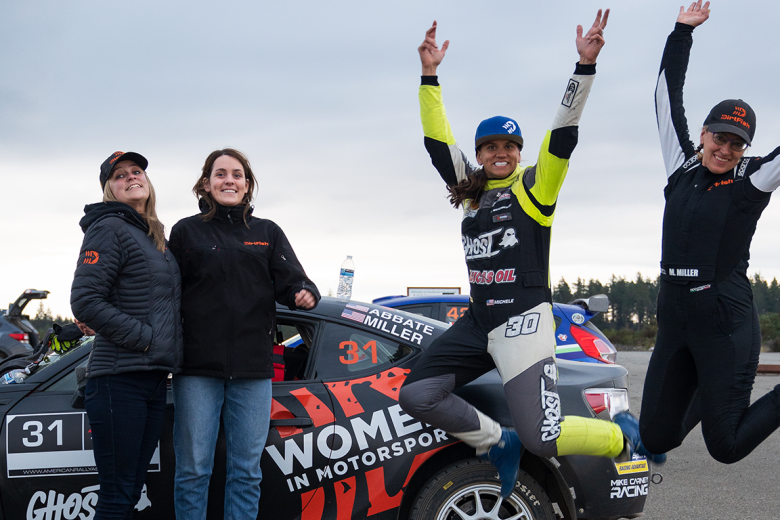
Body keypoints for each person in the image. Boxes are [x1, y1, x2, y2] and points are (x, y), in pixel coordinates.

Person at [399, 14, 663, 500]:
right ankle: (498, 442)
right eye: (490, 147)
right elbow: (437, 142)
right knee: (417, 394)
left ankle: (619, 434)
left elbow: (563, 133)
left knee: (543, 437)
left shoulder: (535, 189)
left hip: (523, 324)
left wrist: (584, 67)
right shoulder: (470, 191)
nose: (500, 153)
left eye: (509, 146)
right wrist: (429, 76)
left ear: (520, 152)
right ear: (480, 153)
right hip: (478, 323)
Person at [639, 0, 780, 464]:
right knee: (655, 437)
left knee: (726, 446)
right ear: (703, 134)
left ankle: (722, 383)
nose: (726, 148)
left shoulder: (752, 180)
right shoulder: (679, 167)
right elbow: (665, 98)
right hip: (675, 317)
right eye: (720, 137)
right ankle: (708, 381)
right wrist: (682, 32)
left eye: (737, 143)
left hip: (724, 320)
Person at [169, 148, 320, 520]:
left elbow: (294, 280)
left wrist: (304, 292)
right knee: (192, 471)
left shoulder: (267, 232)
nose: (229, 181)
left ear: (248, 185)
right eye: (220, 174)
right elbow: (165, 292)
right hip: (196, 370)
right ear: (206, 183)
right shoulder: (185, 231)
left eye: (237, 175)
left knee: (247, 472)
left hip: (253, 371)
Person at [71, 151, 183, 519]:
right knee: (117, 496)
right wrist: (146, 339)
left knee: (131, 491)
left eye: (137, 171)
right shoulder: (109, 228)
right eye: (120, 175)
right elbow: (85, 301)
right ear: (109, 189)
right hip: (118, 381)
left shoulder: (152, 235)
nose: (131, 177)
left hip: (151, 379)